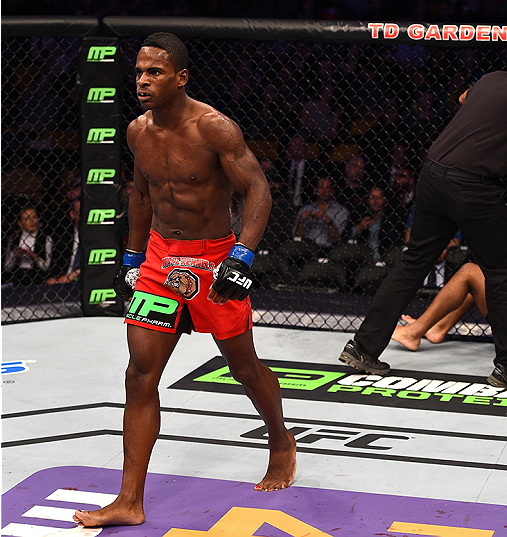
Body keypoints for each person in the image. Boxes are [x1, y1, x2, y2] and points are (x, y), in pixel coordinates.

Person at [72, 32, 296, 529]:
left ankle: (279, 437)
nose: (142, 81)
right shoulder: (136, 132)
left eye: (154, 72)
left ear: (180, 77)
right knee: (139, 373)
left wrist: (242, 257)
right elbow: (142, 195)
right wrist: (133, 256)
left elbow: (257, 189)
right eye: (137, 72)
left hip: (214, 259)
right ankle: (129, 499)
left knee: (242, 365)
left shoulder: (214, 128)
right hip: (158, 261)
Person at [337, 43, 507, 388]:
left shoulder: (494, 77)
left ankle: (362, 348)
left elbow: (465, 99)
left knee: (412, 262)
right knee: (499, 273)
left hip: (434, 174)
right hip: (473, 185)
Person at [2, 205, 54, 286]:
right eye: (26, 219)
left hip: (38, 279)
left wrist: (34, 256)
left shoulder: (45, 238)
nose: (31, 221)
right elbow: (7, 267)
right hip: (17, 278)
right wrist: (14, 255)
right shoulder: (14, 238)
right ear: (20, 223)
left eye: (34, 217)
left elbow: (46, 267)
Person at [46, 199, 80, 284]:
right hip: (65, 282)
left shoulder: (97, 237)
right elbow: (54, 265)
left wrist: (77, 273)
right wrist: (54, 278)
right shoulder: (62, 237)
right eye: (80, 212)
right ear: (72, 214)